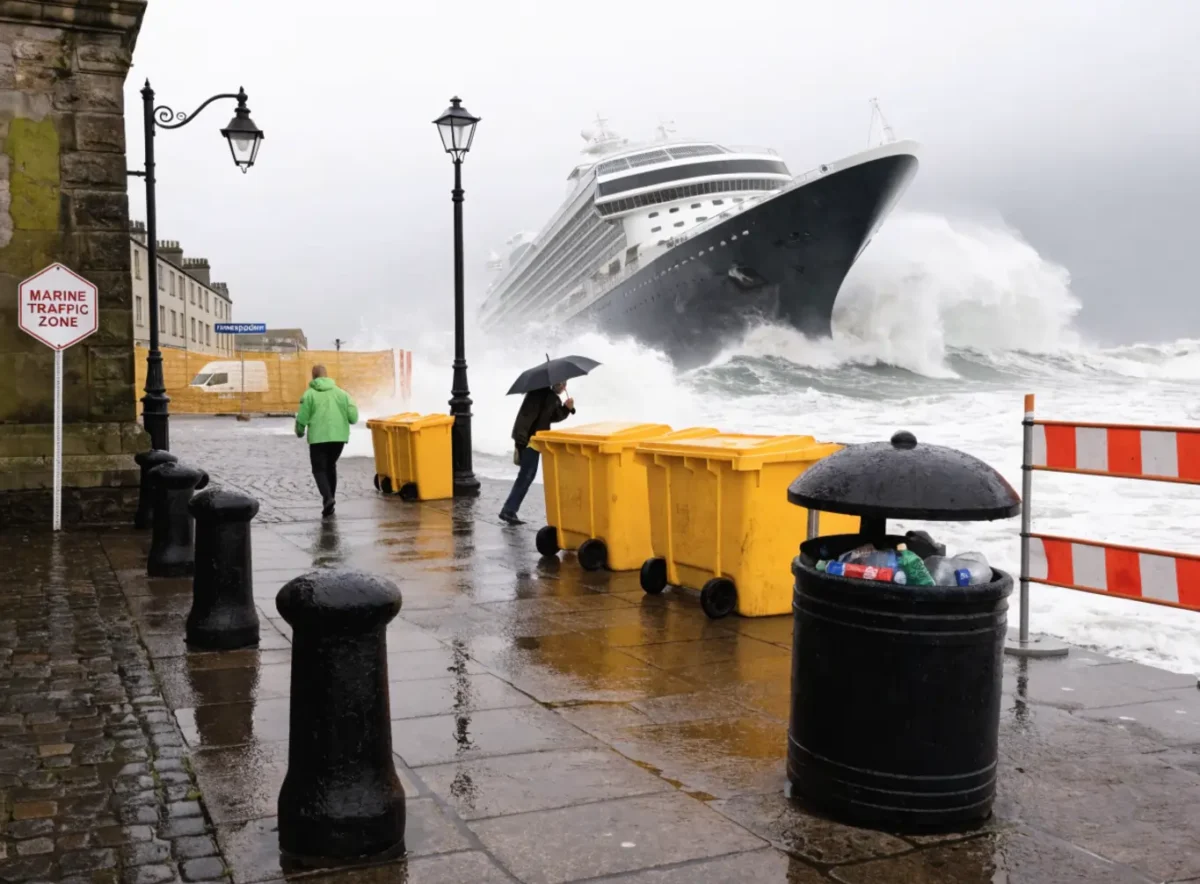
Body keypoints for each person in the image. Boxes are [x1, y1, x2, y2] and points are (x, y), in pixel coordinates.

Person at [500, 382, 575, 525]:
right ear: (555, 383)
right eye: (562, 384)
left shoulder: (549, 396)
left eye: (565, 384)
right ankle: (508, 510)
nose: (564, 387)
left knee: (527, 476)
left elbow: (551, 416)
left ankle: (509, 510)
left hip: (534, 441)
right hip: (529, 441)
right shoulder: (538, 394)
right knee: (526, 476)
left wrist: (566, 408)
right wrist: (521, 441)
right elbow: (526, 416)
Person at [295, 364, 359, 517]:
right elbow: (353, 418)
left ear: (313, 377)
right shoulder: (343, 394)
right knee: (331, 466)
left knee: (319, 469)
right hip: (339, 438)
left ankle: (328, 498)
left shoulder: (309, 394)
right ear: (327, 375)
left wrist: (299, 431)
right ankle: (330, 500)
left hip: (318, 439)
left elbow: (302, 416)